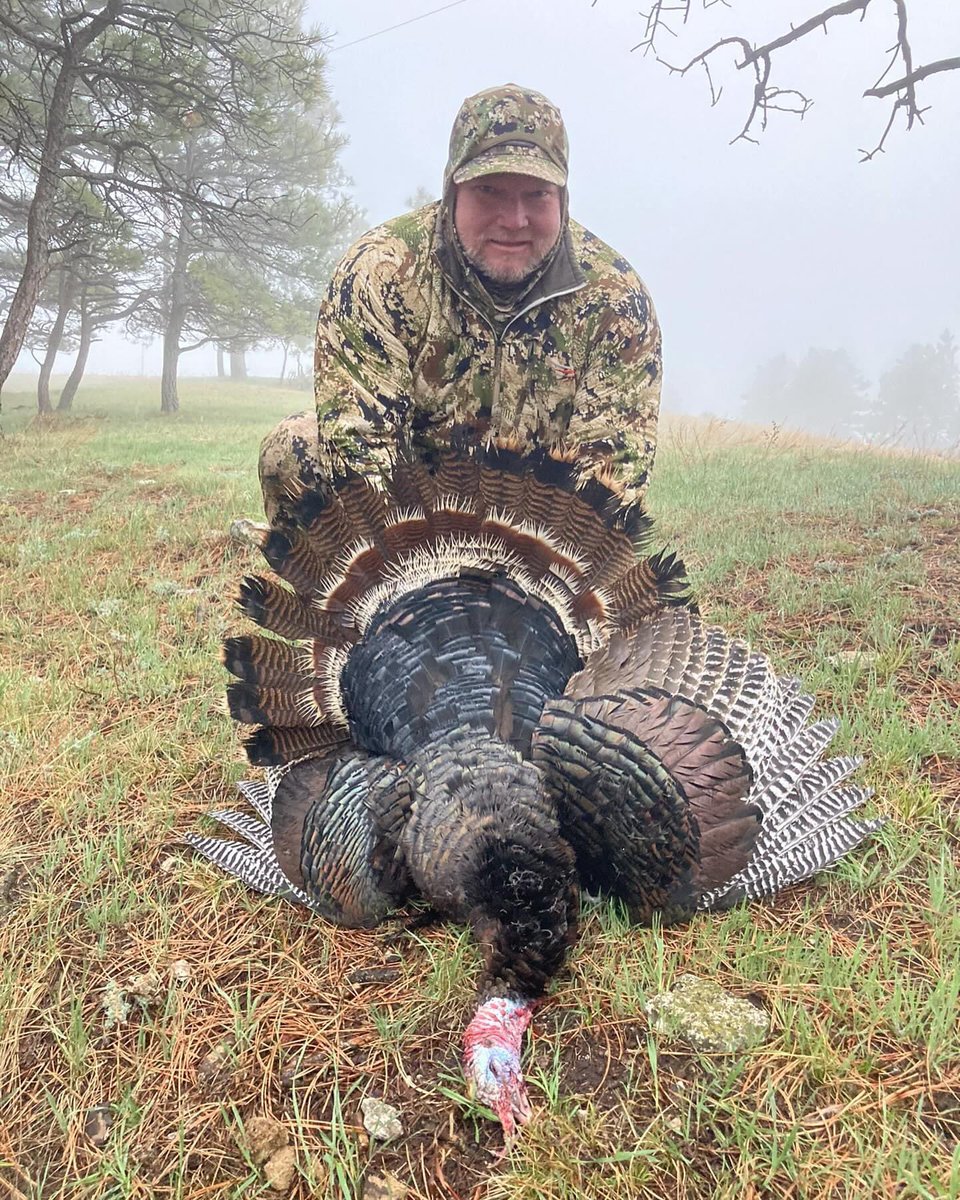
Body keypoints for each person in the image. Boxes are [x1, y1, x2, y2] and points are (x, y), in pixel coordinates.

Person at [259, 83, 662, 524]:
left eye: (537, 194)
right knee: (294, 449)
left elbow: (608, 482)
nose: (514, 220)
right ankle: (334, 593)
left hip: (540, 530)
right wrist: (419, 582)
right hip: (411, 516)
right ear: (453, 190)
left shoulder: (614, 299)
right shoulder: (382, 270)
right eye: (489, 191)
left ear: (563, 198)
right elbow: (363, 453)